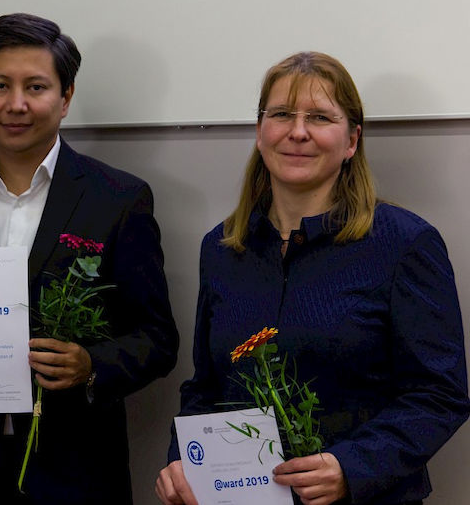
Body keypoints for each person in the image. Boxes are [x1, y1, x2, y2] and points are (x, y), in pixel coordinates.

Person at [0, 13, 179, 504]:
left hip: (76, 471)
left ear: (66, 97)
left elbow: (158, 338)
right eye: (0, 85)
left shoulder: (117, 199)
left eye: (35, 87)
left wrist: (90, 365)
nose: (15, 104)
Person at [155, 51, 470, 505]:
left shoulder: (405, 244)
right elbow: (206, 387)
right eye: (281, 114)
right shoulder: (222, 249)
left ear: (351, 140)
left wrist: (352, 468)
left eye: (320, 117)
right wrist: (182, 462)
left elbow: (439, 395)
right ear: (260, 131)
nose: (297, 132)